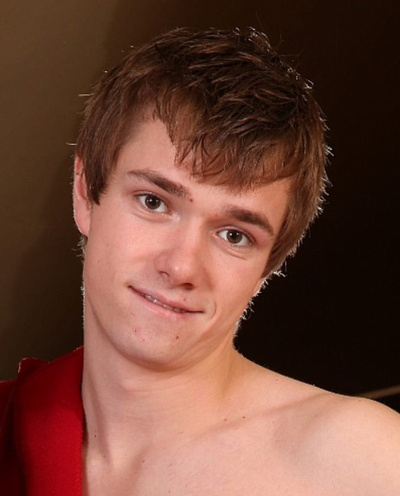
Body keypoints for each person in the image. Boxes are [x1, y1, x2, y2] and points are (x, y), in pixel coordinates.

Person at [1, 27, 399, 495]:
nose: (181, 267)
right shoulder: (10, 428)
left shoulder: (361, 459)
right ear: (86, 192)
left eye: (234, 235)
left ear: (269, 265)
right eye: (154, 202)